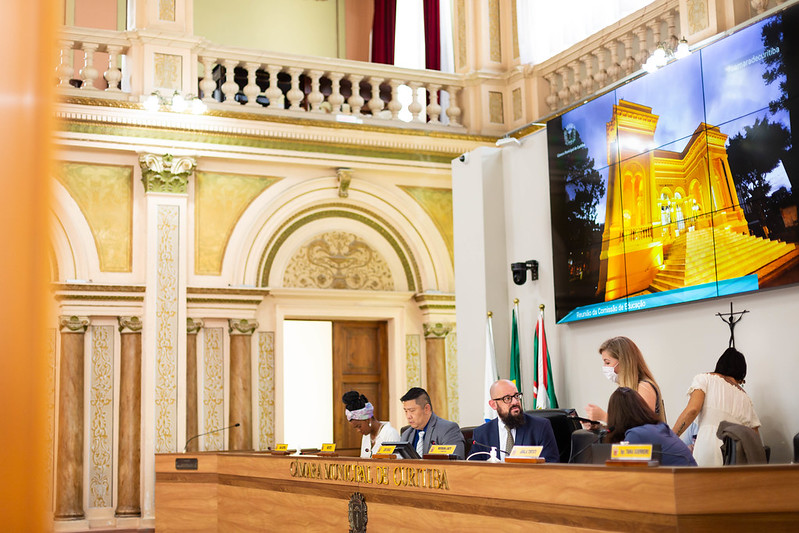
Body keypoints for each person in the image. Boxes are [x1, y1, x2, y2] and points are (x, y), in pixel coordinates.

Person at [672, 347, 761, 466]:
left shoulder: (704, 379)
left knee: (704, 483)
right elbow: (754, 437)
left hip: (708, 445)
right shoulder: (745, 398)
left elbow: (692, 410)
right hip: (734, 456)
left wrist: (671, 437)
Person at [470, 379, 560, 463]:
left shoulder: (540, 427)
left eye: (516, 396)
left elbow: (551, 466)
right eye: (507, 398)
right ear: (493, 405)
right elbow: (472, 470)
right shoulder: (481, 434)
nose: (515, 402)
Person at [606, 387, 697, 466]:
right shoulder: (659, 427)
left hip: (679, 482)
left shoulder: (637, 434)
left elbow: (625, 473)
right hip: (692, 480)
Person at [585, 336, 666, 424]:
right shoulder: (624, 391)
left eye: (607, 362)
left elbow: (641, 427)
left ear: (623, 362)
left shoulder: (644, 387)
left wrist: (605, 417)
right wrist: (599, 427)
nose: (604, 367)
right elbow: (623, 431)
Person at [400, 387, 465, 459]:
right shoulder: (406, 435)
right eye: (406, 411)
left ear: (427, 409)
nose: (408, 416)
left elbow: (455, 462)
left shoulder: (448, 429)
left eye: (412, 410)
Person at [342, 390, 400, 458]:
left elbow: (396, 464)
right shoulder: (366, 435)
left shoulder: (390, 433)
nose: (358, 430)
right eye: (356, 428)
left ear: (368, 419)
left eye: (359, 426)